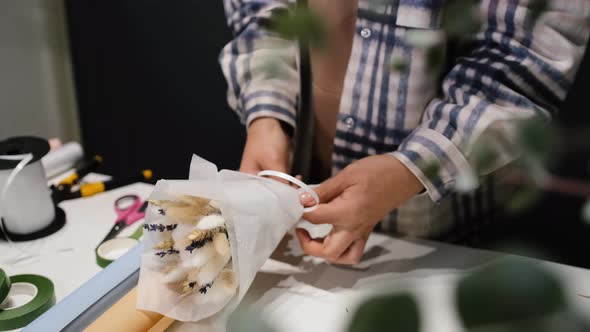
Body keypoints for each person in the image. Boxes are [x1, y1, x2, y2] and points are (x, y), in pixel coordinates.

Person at [219, 0, 590, 264]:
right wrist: (267, 114)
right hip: (301, 172)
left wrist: (415, 167)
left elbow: (524, 55)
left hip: (433, 231)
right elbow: (256, 8)